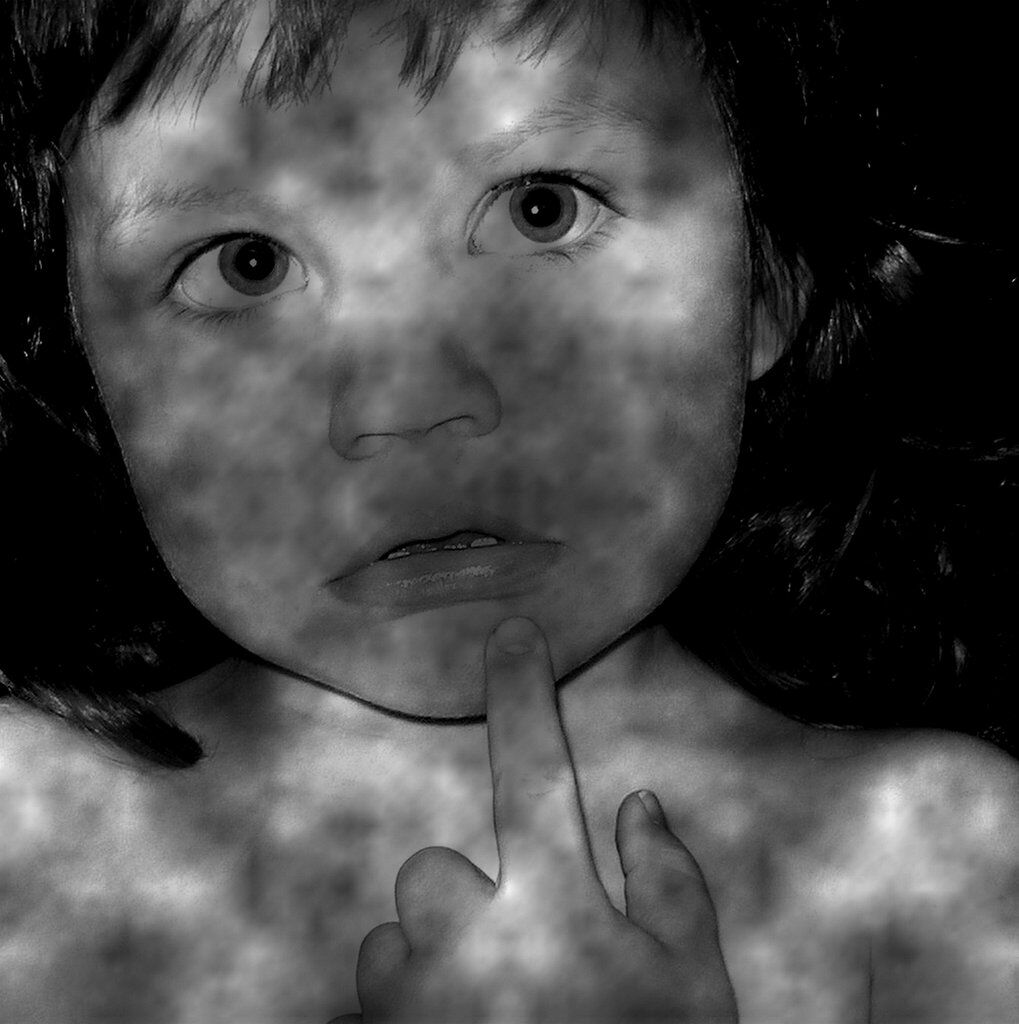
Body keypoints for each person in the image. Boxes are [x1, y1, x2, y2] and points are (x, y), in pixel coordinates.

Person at [1, 1, 1016, 1021]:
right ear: (79, 359)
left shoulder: (933, 872)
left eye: (541, 209)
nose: (410, 398)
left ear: (770, 269)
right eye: (244, 263)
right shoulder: (29, 849)